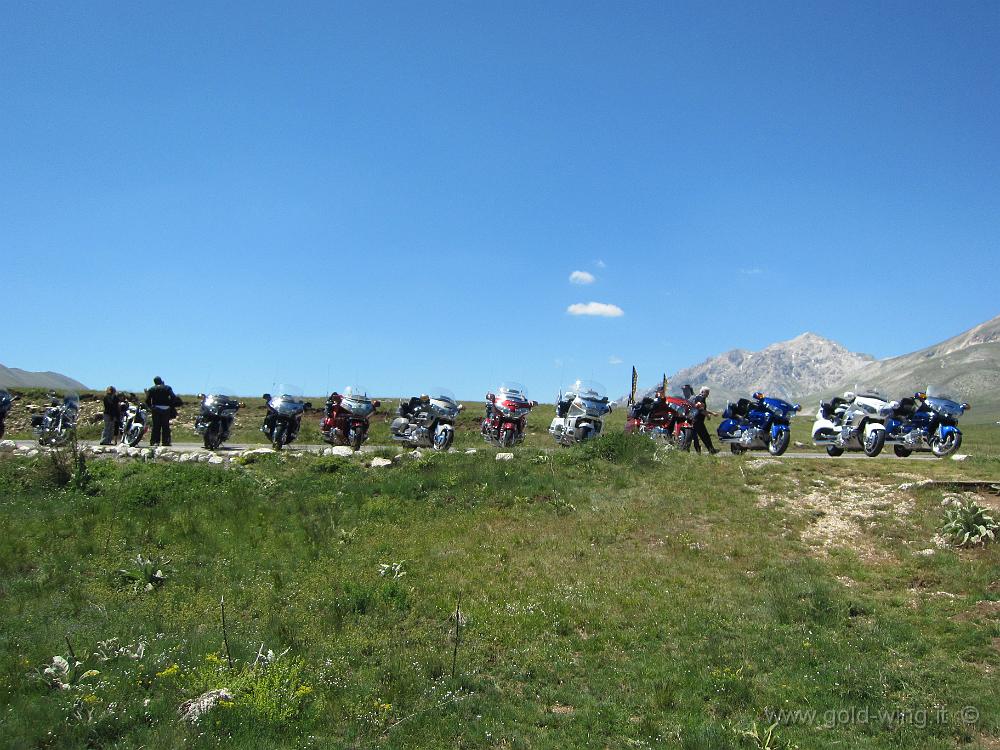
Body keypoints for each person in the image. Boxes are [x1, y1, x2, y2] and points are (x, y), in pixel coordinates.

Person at [145, 376, 182, 446]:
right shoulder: (167, 387)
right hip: (166, 409)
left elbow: (148, 400)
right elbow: (173, 397)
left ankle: (155, 441)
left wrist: (151, 407)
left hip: (156, 408)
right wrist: (170, 404)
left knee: (156, 426)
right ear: (161, 381)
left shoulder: (151, 389)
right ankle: (166, 441)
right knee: (165, 426)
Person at [690, 386, 719, 454]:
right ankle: (711, 450)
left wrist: (712, 413)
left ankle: (701, 451)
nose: (708, 394)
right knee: (705, 436)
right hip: (698, 420)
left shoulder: (698, 397)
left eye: (708, 392)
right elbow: (701, 410)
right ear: (702, 392)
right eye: (707, 392)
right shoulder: (701, 398)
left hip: (695, 420)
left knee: (698, 437)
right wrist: (708, 416)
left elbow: (703, 409)